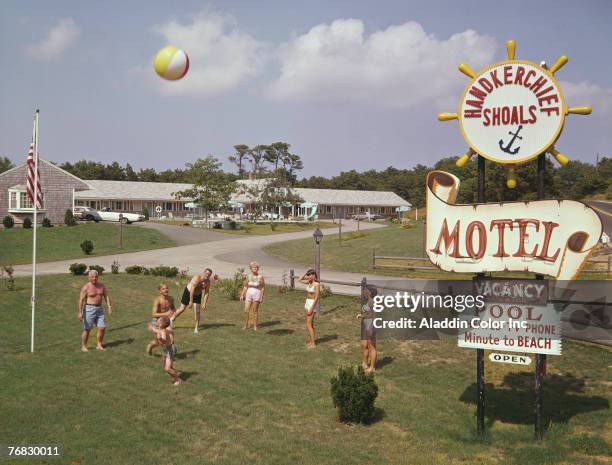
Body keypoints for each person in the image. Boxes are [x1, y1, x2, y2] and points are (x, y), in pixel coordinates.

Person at [172, 268, 218, 333]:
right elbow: (192, 290)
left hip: (197, 295)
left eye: (209, 275)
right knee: (182, 309)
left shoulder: (207, 282)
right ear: (204, 272)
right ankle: (171, 319)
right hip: (188, 292)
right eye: (207, 273)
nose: (207, 275)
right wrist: (190, 301)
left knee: (197, 311)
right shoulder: (197, 278)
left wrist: (204, 303)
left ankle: (196, 328)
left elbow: (206, 292)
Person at [78, 270, 112, 352]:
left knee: (102, 327)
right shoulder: (86, 287)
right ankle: (84, 346)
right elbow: (81, 300)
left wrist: (109, 306)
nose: (94, 278)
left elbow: (106, 296)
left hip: (99, 309)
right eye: (92, 277)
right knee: (87, 329)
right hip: (89, 309)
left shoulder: (101, 286)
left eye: (96, 276)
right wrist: (80, 312)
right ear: (89, 277)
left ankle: (99, 344)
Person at [149, 316, 181, 386]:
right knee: (167, 365)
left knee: (167, 368)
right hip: (168, 349)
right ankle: (174, 373)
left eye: (158, 320)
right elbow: (169, 333)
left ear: (161, 324)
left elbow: (164, 340)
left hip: (170, 350)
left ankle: (178, 380)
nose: (157, 321)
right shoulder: (165, 329)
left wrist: (160, 339)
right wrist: (152, 328)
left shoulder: (163, 331)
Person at [146, 283, 176, 356]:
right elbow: (153, 314)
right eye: (163, 289)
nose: (166, 290)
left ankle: (169, 354)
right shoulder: (157, 300)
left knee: (170, 334)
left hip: (166, 321)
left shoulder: (171, 299)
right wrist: (166, 314)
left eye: (166, 288)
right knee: (159, 341)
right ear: (160, 291)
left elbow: (173, 308)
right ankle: (150, 346)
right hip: (157, 321)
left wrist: (173, 315)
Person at [357, 285, 378, 373]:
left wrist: (372, 328)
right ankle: (365, 363)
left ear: (370, 292)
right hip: (365, 324)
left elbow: (375, 316)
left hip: (370, 325)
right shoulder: (367, 301)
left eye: (365, 290)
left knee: (371, 346)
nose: (364, 292)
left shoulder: (373, 302)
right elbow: (368, 313)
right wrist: (362, 315)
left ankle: (372, 367)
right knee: (364, 345)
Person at [240, 262, 265, 330]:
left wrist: (261, 297)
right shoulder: (248, 276)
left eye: (256, 267)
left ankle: (255, 326)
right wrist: (242, 295)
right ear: (251, 269)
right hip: (249, 294)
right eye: (254, 267)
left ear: (258, 269)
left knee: (255, 311)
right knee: (246, 310)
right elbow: (245, 286)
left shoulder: (260, 277)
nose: (255, 269)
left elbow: (262, 287)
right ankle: (245, 325)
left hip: (257, 294)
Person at [299, 268, 320, 348]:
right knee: (309, 324)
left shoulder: (316, 285)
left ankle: (313, 344)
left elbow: (317, 297)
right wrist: (305, 271)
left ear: (314, 275)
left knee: (308, 324)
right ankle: (311, 341)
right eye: (309, 275)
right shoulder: (309, 282)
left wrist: (312, 308)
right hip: (307, 303)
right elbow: (300, 279)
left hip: (312, 304)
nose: (309, 276)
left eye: (311, 275)